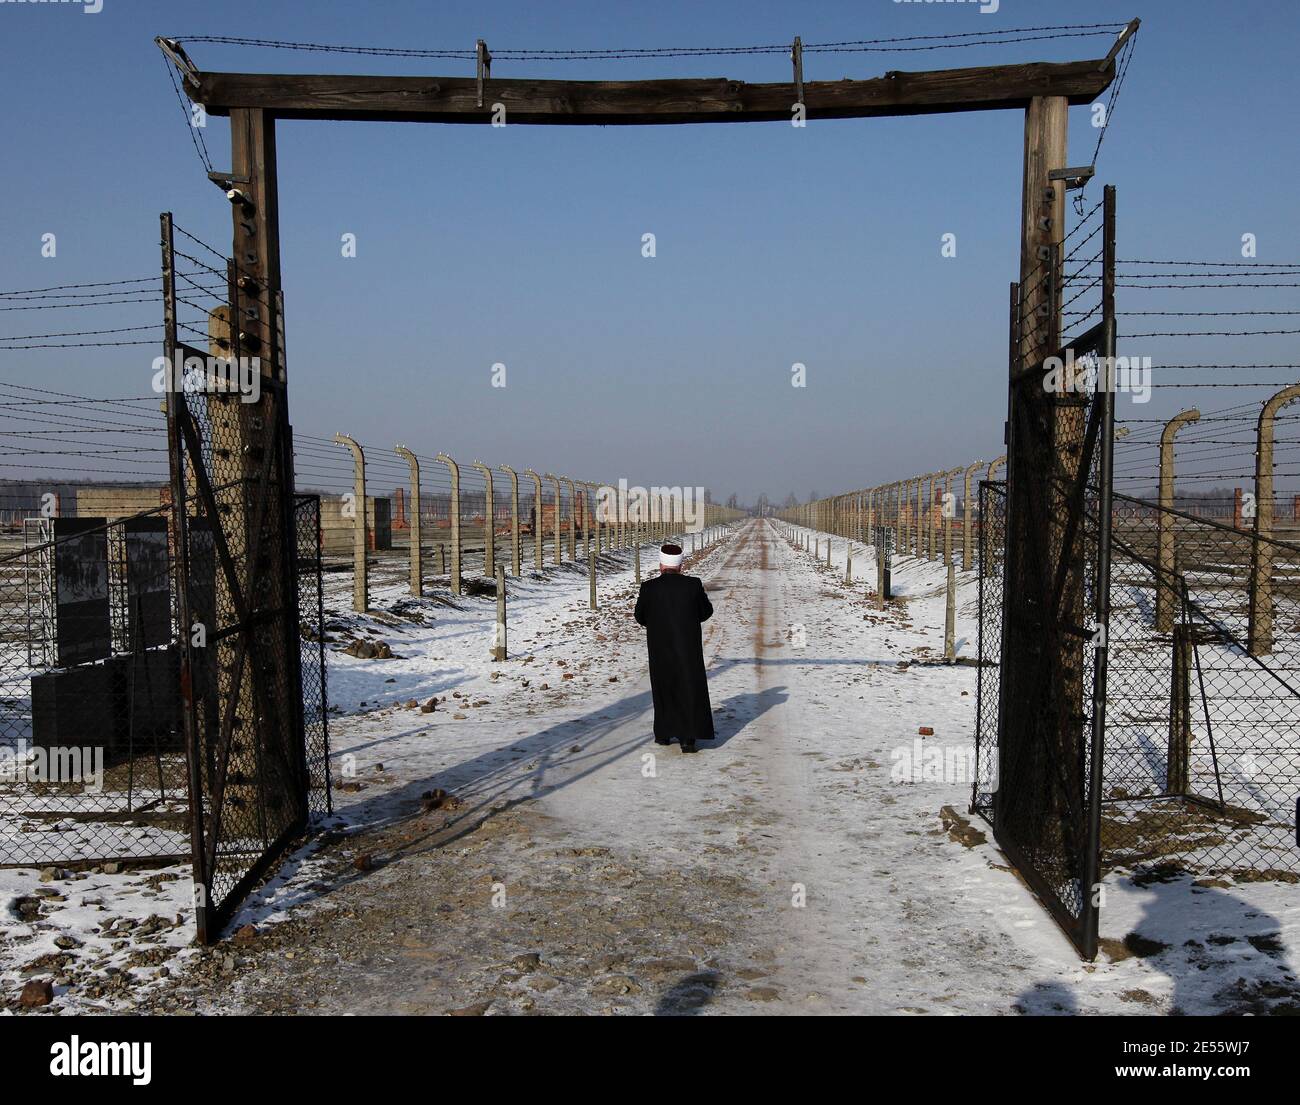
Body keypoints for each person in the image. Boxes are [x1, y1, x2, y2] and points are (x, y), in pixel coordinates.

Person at [634, 542, 714, 752]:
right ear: (681, 565)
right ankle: (688, 738)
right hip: (688, 648)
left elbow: (639, 616)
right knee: (688, 688)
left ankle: (664, 733)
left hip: (660, 648)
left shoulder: (649, 588)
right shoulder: (693, 585)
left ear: (661, 565)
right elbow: (706, 612)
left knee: (663, 688)